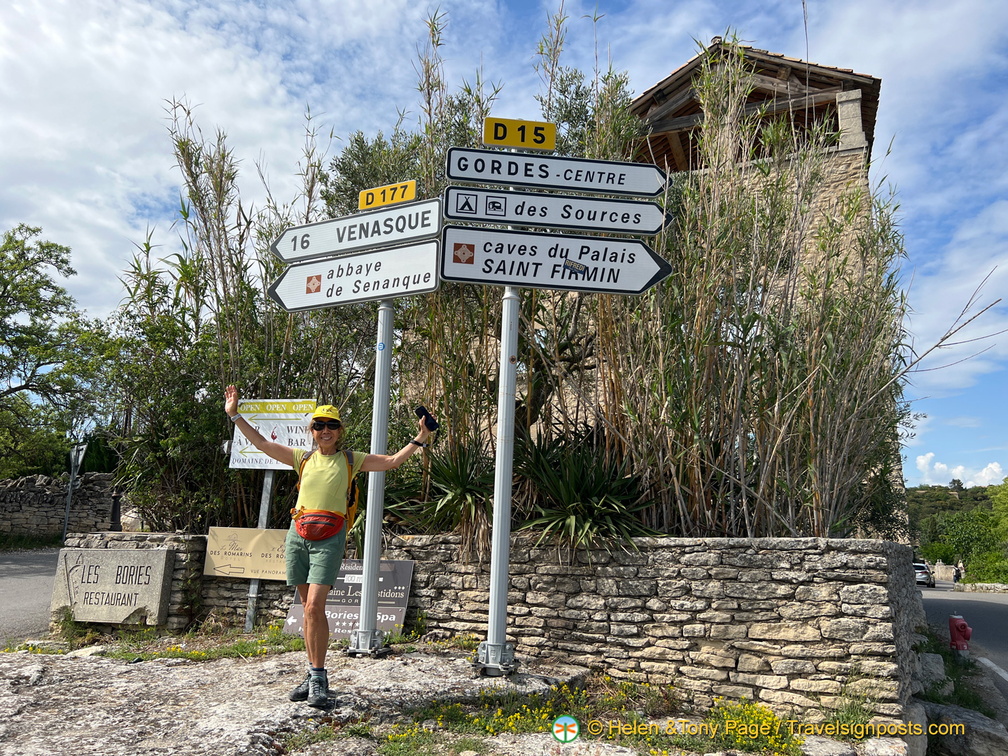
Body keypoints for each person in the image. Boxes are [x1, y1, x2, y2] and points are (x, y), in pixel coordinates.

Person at [224, 385, 434, 708]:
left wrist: (419, 439)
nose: (325, 431)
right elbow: (263, 444)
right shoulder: (302, 458)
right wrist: (234, 414)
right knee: (310, 613)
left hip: (330, 536)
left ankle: (319, 677)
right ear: (311, 430)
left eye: (331, 425)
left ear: (340, 432)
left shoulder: (351, 460)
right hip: (298, 535)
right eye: (319, 425)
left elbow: (392, 461)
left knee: (312, 608)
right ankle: (312, 673)